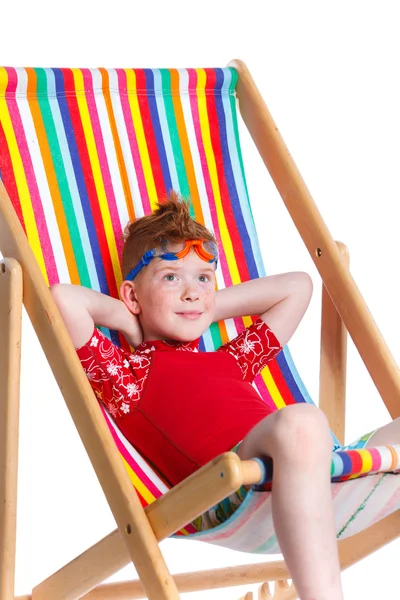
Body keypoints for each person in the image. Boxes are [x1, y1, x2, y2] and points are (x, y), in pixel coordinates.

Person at [51, 191, 351, 600]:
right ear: (132, 294)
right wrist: (129, 320)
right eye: (172, 277)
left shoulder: (233, 360)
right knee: (302, 420)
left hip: (317, 468)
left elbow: (297, 287)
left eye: (204, 278)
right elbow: (62, 300)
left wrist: (206, 308)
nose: (192, 292)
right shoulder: (128, 377)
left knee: (312, 426)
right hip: (240, 490)